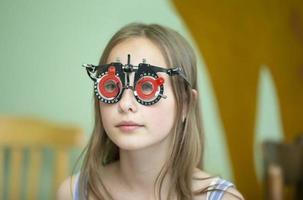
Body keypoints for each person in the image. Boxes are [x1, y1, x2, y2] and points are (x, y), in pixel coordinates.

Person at [57, 23, 244, 200]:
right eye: (112, 84)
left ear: (185, 104)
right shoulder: (73, 193)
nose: (125, 104)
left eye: (147, 86)